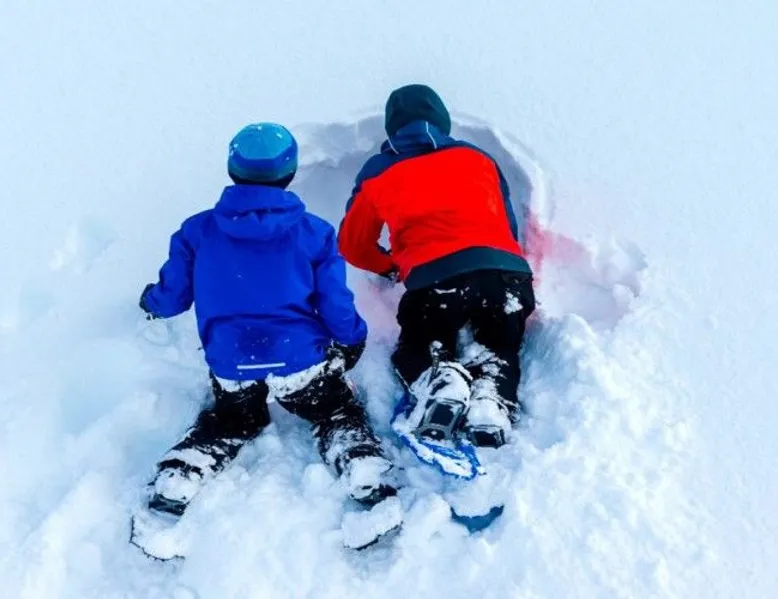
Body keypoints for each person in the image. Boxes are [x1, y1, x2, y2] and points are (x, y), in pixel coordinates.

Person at [139, 123, 397, 517]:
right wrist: (352, 336)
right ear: (289, 173)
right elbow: (334, 302)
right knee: (335, 411)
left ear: (232, 169)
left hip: (232, 364)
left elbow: (172, 298)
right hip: (299, 361)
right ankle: (360, 464)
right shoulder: (314, 233)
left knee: (230, 421)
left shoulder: (197, 231)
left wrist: (151, 302)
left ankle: (183, 473)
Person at [338, 85, 536, 449]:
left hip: (435, 280)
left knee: (419, 346)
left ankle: (441, 381)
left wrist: (392, 267)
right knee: (499, 347)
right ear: (442, 121)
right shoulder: (478, 157)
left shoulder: (378, 171)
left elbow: (353, 245)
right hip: (506, 275)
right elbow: (508, 226)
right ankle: (490, 401)